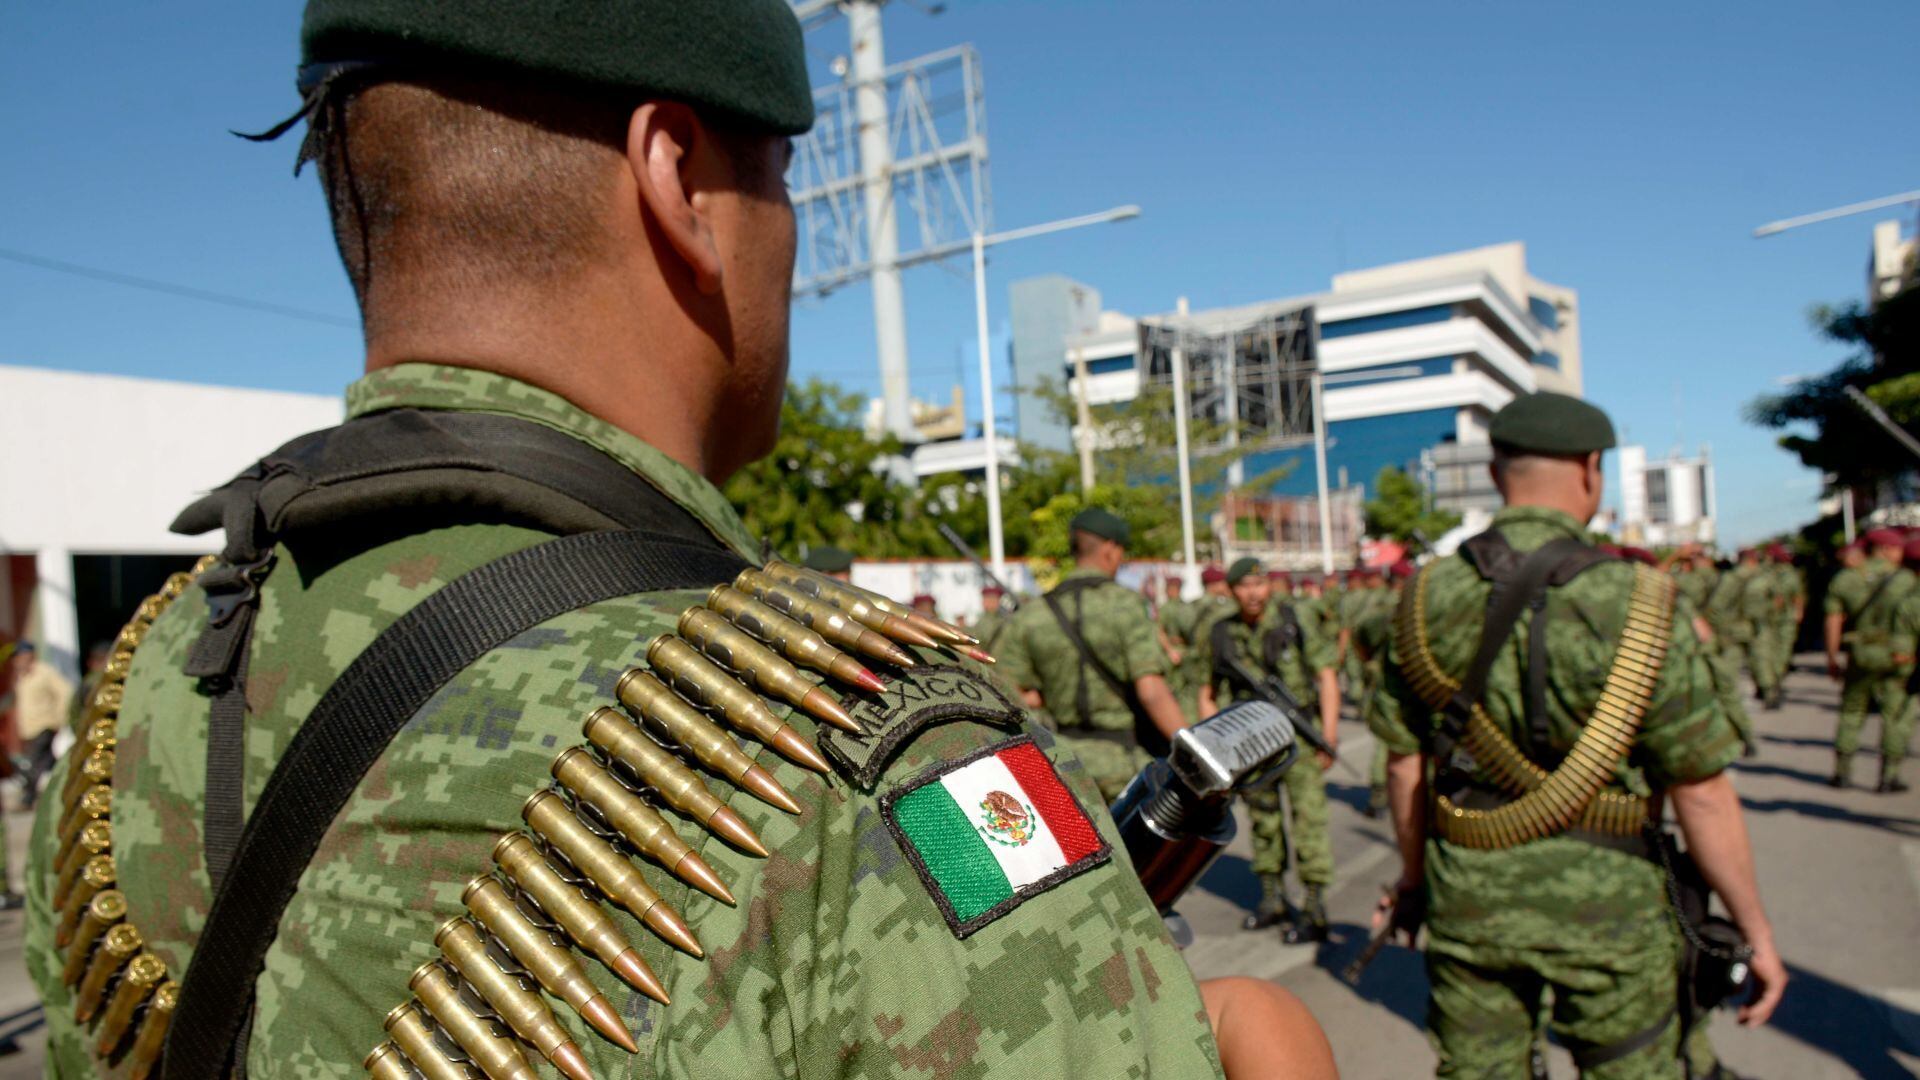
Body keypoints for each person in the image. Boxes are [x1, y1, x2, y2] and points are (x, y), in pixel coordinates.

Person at [20, 5, 1293, 1076]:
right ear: (677, 178)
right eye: (782, 181)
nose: (787, 235)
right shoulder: (860, 739)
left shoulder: (143, 694)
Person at [1371, 391, 1784, 1077]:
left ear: (1497, 472)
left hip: (1470, 898)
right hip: (1611, 912)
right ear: (1592, 469)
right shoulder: (1640, 599)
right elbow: (1701, 792)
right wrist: (1756, 932)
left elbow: (1403, 767)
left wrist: (1414, 881)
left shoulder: (1423, 595)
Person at [997, 509, 1190, 802]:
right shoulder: (1126, 604)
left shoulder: (1033, 614)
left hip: (1062, 765)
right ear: (1110, 549)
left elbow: (1009, 692)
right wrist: (1190, 748)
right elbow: (1151, 690)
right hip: (1125, 765)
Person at [1195, 558, 1340, 944]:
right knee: (1263, 822)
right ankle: (1272, 899)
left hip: (1299, 738)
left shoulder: (1293, 620)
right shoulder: (1222, 632)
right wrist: (1217, 747)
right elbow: (1207, 692)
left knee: (1309, 820)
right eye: (1243, 586)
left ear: (1269, 586)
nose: (1253, 593)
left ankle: (1314, 907)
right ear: (1231, 590)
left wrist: (1328, 734)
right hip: (1252, 745)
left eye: (1258, 584)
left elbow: (1326, 675)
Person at [1825, 527, 1917, 789]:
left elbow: (1833, 620)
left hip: (1861, 653)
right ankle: (1889, 776)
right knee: (1896, 715)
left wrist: (1832, 657)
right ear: (1886, 550)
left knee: (1852, 710)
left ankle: (1842, 772)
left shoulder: (1847, 578)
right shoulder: (1907, 579)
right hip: (1898, 655)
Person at [1705, 547, 1783, 714]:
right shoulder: (1764, 577)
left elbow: (1717, 606)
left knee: (1731, 666)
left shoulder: (1731, 578)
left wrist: (1717, 627)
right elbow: (1777, 601)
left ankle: (1728, 702)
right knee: (1761, 661)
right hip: (1757, 626)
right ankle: (1769, 693)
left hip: (1733, 629)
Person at [4, 643, 73, 809]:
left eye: (21, 657)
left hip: (45, 725)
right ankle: (61, 791)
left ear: (30, 656)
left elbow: (66, 691)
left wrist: (60, 717)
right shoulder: (21, 677)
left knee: (32, 763)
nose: (18, 661)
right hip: (29, 729)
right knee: (46, 763)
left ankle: (29, 798)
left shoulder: (44, 672)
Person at [1767, 544, 1805, 686]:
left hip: (1774, 616)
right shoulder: (1790, 573)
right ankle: (1776, 674)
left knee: (1774, 647)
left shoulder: (1767, 572)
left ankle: (1772, 675)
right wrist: (1799, 613)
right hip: (1784, 617)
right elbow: (1798, 596)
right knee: (1782, 647)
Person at [972, 583, 1011, 654]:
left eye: (995, 599)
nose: (992, 602)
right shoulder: (983, 621)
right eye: (989, 599)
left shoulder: (1003, 619)